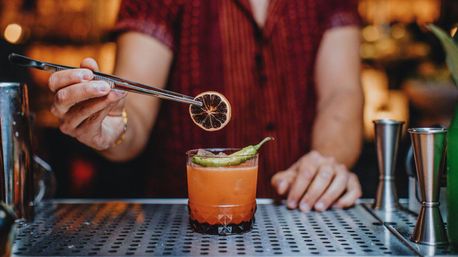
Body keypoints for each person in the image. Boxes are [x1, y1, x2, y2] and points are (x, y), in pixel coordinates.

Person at [47, 0, 363, 212]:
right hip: (185, 230)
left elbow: (342, 92)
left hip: (298, 218)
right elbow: (134, 111)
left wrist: (325, 164)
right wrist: (111, 126)